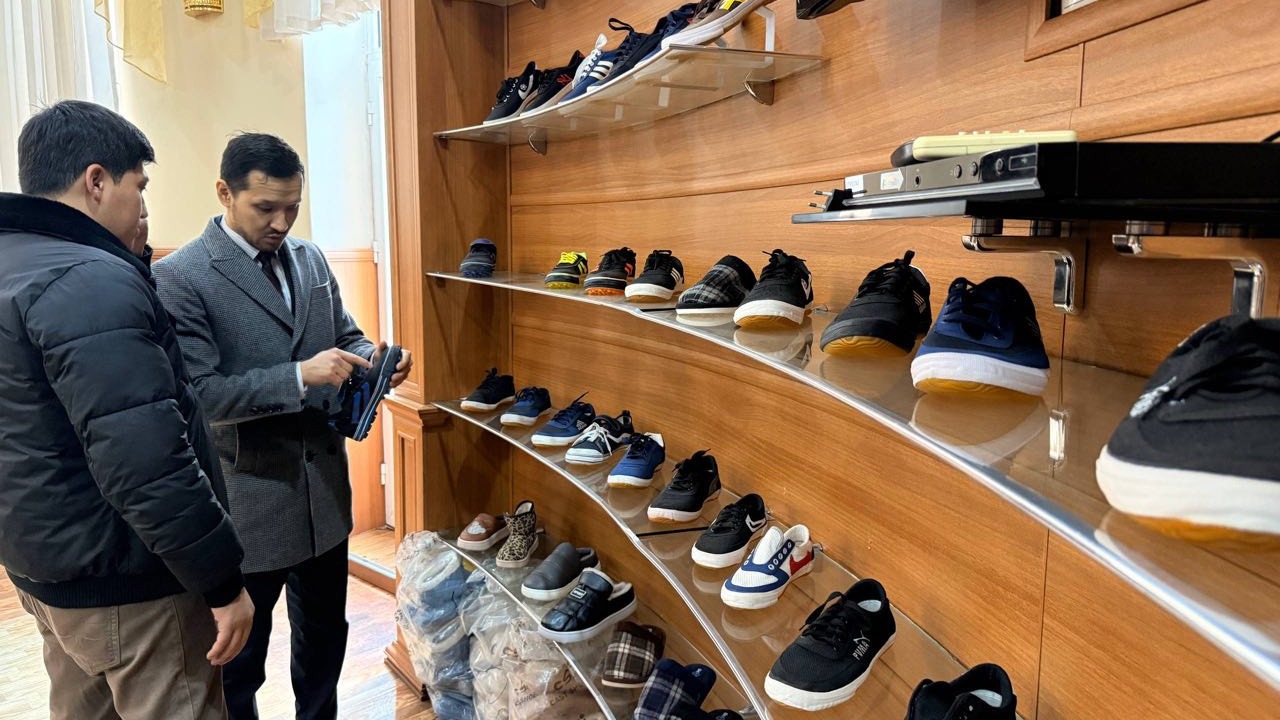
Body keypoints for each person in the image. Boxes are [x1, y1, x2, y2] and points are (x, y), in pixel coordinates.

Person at [0, 101, 253, 720]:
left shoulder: (16, 263)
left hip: (47, 568)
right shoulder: (89, 280)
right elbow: (147, 462)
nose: (143, 206)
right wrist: (221, 582)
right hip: (134, 585)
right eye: (139, 186)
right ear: (96, 181)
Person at [154, 133, 413, 720]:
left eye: (292, 207)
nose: (281, 222)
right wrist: (297, 376)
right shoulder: (181, 276)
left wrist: (373, 360)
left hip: (325, 497)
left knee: (324, 643)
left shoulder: (310, 258)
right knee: (240, 663)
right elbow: (201, 395)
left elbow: (345, 336)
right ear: (224, 193)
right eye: (265, 208)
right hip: (248, 501)